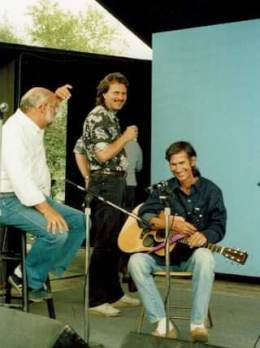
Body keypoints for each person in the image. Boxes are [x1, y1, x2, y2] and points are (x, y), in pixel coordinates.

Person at [128, 141, 227, 342]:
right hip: (160, 254)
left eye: (182, 163)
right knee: (135, 262)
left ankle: (197, 324)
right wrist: (167, 223)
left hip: (191, 256)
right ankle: (163, 324)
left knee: (206, 257)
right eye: (173, 164)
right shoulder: (164, 189)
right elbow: (145, 214)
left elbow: (219, 224)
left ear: (192, 161)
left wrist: (206, 236)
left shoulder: (211, 191)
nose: (178, 169)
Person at [0, 85, 86, 302]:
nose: (56, 113)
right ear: (41, 108)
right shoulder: (14, 131)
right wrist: (47, 210)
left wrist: (54, 98)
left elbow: (42, 105)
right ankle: (27, 278)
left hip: (27, 196)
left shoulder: (30, 124)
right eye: (54, 109)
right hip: (6, 199)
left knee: (79, 222)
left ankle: (38, 270)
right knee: (56, 233)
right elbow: (19, 179)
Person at [74, 72, 140, 317]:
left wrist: (88, 176)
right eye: (116, 93)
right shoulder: (99, 115)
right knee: (105, 243)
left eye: (123, 93)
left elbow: (79, 148)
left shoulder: (108, 117)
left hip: (113, 183)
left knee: (114, 241)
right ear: (104, 94)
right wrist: (125, 138)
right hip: (108, 184)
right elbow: (102, 156)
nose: (121, 97)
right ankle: (95, 300)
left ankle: (114, 294)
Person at [123, 139, 143, 211]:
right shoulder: (135, 145)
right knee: (128, 210)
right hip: (130, 182)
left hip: (114, 183)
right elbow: (139, 167)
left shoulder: (115, 143)